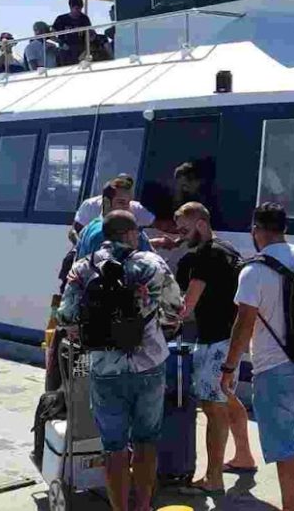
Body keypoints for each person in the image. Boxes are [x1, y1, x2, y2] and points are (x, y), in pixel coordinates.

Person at [58, 210, 182, 511]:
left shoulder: (83, 268)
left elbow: (64, 315)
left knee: (113, 448)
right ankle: (142, 507)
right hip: (149, 365)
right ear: (130, 233)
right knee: (146, 441)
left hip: (104, 368)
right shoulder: (152, 263)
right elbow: (175, 308)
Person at [220, 203, 294, 511]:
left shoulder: (254, 271)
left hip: (274, 369)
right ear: (284, 229)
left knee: (284, 445)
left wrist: (229, 367)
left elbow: (244, 324)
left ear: (256, 230)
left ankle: (290, 507)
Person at [173, 202, 257, 492]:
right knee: (226, 396)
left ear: (200, 224)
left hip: (214, 340)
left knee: (212, 407)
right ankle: (244, 456)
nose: (182, 237)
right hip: (230, 338)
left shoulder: (206, 255)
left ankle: (213, 478)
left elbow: (187, 306)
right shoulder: (228, 249)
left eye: (185, 230)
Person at [76, 177, 153, 261]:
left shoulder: (87, 229)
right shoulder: (102, 232)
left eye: (128, 203)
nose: (126, 207)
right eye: (121, 202)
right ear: (106, 202)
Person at [52, 0, 92, 66]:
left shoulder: (84, 19)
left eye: (80, 8)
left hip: (80, 50)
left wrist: (86, 50)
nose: (78, 11)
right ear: (70, 7)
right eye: (76, 8)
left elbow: (90, 34)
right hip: (65, 51)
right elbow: (51, 35)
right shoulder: (61, 19)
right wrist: (61, 43)